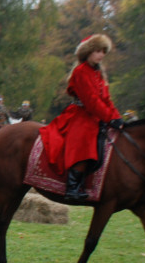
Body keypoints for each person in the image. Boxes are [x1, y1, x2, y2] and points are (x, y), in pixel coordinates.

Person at [38, 33, 122, 201]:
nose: (101, 55)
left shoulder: (98, 73)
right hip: (80, 114)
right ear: (88, 52)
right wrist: (108, 117)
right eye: (98, 51)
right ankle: (72, 186)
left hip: (95, 115)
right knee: (84, 140)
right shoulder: (80, 72)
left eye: (103, 52)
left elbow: (106, 99)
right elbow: (91, 101)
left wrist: (116, 117)